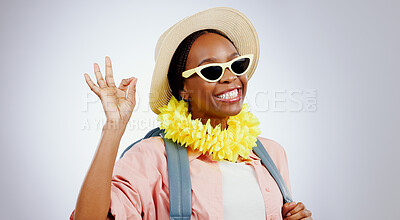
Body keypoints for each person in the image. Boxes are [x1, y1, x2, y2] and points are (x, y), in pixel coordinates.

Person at [71, 7, 312, 220]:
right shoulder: (152, 156)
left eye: (237, 65)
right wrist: (114, 126)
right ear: (183, 89)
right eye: (211, 70)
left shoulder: (272, 154)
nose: (230, 77)